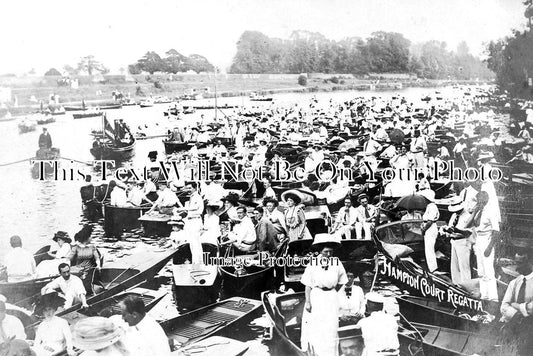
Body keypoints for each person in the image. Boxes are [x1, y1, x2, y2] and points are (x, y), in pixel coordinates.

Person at [300, 233, 348, 356]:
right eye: (326, 252)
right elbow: (308, 285)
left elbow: (342, 281)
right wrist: (308, 302)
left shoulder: (337, 263)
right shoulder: (312, 263)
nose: (328, 254)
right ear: (320, 251)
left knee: (331, 326)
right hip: (317, 296)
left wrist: (331, 292)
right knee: (317, 326)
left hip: (331, 297)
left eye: (330, 252)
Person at [470, 190, 499, 301]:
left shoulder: (491, 211)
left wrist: (490, 247)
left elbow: (496, 231)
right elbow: (474, 223)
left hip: (487, 239)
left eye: (480, 200)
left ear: (485, 200)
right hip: (479, 238)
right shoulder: (479, 210)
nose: (478, 202)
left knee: (488, 271)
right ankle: (484, 295)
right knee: (481, 271)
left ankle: (492, 297)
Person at [441, 201, 473, 285]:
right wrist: (447, 230)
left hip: (463, 241)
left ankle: (466, 285)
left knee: (464, 266)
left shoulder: (468, 216)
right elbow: (451, 226)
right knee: (454, 266)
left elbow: (469, 232)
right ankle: (456, 284)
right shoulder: (454, 215)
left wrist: (457, 230)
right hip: (454, 241)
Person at [500, 250, 533, 323]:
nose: (516, 267)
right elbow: (504, 307)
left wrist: (514, 305)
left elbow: (531, 308)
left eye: (520, 263)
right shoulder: (514, 283)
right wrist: (516, 315)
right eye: (516, 263)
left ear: (530, 263)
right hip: (514, 323)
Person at [420, 184, 440, 273]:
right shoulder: (429, 206)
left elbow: (430, 221)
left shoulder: (432, 206)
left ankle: (433, 268)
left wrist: (424, 229)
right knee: (428, 249)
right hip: (429, 227)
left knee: (429, 248)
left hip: (430, 228)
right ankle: (431, 266)